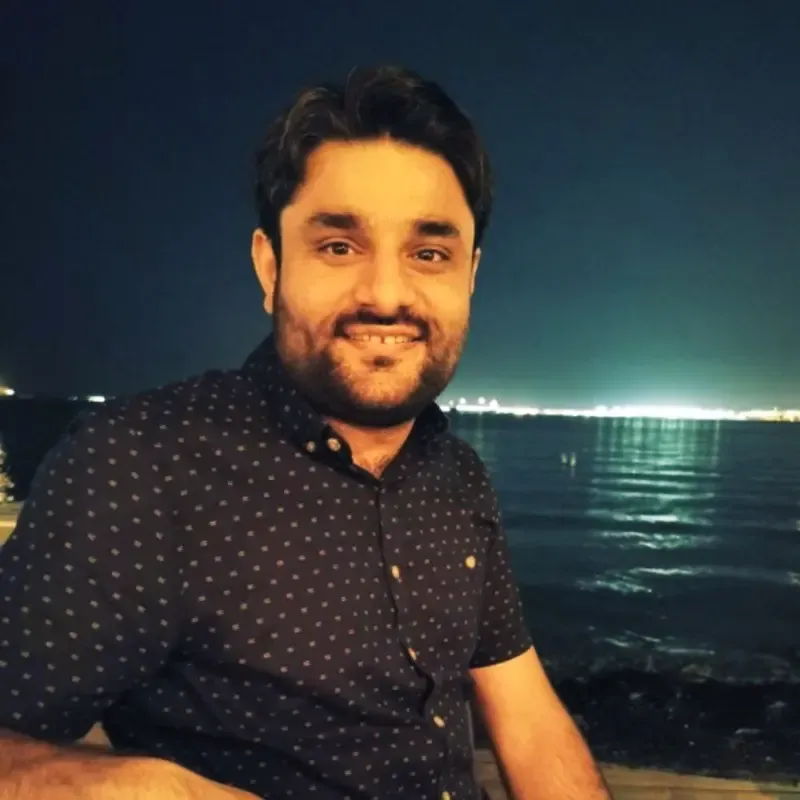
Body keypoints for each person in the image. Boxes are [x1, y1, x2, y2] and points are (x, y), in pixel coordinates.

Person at [0, 65, 611, 800]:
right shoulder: (139, 468)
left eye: (429, 253)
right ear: (270, 266)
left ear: (470, 274)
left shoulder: (459, 479)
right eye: (339, 246)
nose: (386, 294)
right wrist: (132, 786)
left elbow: (529, 720)